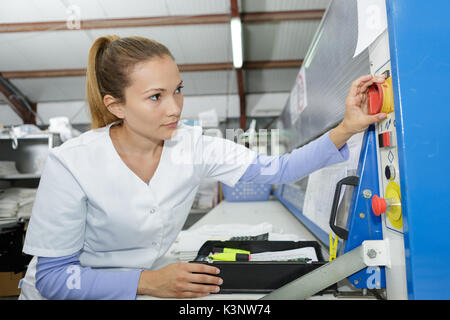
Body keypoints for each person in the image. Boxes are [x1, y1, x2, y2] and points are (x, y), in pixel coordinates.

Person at [18, 35, 386, 300]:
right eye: (155, 97)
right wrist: (146, 282)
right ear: (116, 106)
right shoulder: (71, 163)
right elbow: (53, 278)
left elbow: (278, 170)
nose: (174, 107)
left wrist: (347, 127)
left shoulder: (191, 145)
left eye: (177, 89)